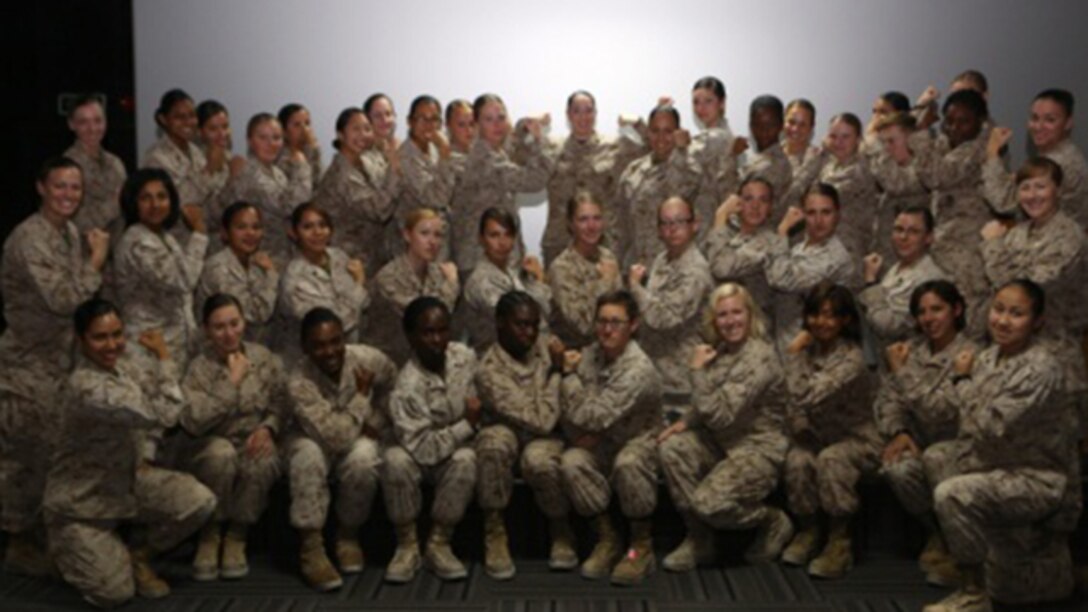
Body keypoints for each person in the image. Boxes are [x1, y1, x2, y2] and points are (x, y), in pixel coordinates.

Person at [45, 299, 216, 607]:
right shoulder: (88, 387)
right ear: (80, 339)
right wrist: (164, 356)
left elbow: (151, 418)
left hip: (125, 484)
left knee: (199, 501)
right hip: (83, 506)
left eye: (117, 334)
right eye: (100, 337)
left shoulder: (123, 369)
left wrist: (145, 456)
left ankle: (139, 554)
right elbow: (164, 413)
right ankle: (66, 548)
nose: (112, 345)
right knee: (114, 594)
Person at [924, 280, 1080, 611]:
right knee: (937, 457)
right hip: (996, 463)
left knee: (951, 493)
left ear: (1037, 321)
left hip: (1036, 476)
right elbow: (960, 419)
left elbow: (990, 425)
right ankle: (970, 560)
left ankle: (973, 594)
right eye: (998, 310)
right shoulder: (988, 357)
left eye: (1016, 313)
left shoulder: (1040, 367)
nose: (1003, 320)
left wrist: (962, 381)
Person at [0, 157, 108, 575]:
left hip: (59, 363)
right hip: (27, 369)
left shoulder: (68, 233)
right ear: (41, 187)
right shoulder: (30, 238)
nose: (68, 195)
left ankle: (45, 538)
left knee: (53, 454)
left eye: (75, 188)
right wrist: (96, 260)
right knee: (25, 458)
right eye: (60, 186)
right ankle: (19, 543)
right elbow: (64, 299)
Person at [656, 283, 793, 571]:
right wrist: (684, 422)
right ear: (713, 321)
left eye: (736, 312)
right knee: (672, 448)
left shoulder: (759, 357)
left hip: (757, 451)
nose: (730, 321)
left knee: (709, 504)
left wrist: (696, 371)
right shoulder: (721, 351)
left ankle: (771, 520)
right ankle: (699, 539)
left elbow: (720, 414)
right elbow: (707, 403)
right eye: (722, 315)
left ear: (750, 315)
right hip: (722, 444)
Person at [283, 307, 397, 591]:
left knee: (365, 457)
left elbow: (395, 387)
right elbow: (334, 438)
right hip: (311, 438)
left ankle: (348, 535)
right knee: (307, 456)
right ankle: (312, 549)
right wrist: (361, 399)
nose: (330, 351)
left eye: (336, 341)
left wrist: (378, 421)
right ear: (305, 347)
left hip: (352, 431)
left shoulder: (366, 359)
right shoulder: (299, 381)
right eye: (319, 345)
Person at [558, 290, 663, 585]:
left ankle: (639, 546)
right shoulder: (590, 354)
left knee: (628, 463)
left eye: (616, 322)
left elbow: (593, 414)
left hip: (638, 441)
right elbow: (571, 412)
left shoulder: (637, 368)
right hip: (601, 439)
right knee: (571, 462)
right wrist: (587, 430)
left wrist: (568, 377)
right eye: (602, 321)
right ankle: (607, 538)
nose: (607, 329)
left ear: (633, 326)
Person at [875, 280, 976, 586]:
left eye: (937, 309)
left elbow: (943, 410)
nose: (929, 318)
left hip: (961, 448)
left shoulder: (971, 355)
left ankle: (960, 547)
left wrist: (902, 372)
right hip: (919, 441)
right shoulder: (911, 351)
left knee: (936, 457)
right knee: (897, 467)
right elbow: (887, 399)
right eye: (921, 312)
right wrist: (899, 431)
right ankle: (936, 531)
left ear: (956, 310)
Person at [179, 294, 287, 581]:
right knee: (222, 454)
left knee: (262, 459)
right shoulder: (198, 368)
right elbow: (193, 420)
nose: (229, 334)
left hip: (253, 437)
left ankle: (238, 534)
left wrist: (269, 428)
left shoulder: (263, 358)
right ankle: (211, 532)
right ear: (206, 330)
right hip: (212, 443)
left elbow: (281, 402)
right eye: (219, 327)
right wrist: (231, 382)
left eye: (234, 324)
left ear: (244, 323)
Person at [780, 283, 878, 579]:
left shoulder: (852, 359)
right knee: (797, 460)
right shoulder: (810, 353)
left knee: (832, 459)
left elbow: (805, 395)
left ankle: (839, 540)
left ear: (845, 320)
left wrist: (793, 354)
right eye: (815, 314)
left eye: (830, 316)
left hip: (857, 439)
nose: (821, 323)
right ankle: (808, 531)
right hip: (816, 435)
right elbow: (789, 404)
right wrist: (800, 428)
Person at [382, 297, 480, 583]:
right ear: (411, 337)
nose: (437, 339)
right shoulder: (407, 386)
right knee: (394, 460)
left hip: (452, 452)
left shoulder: (464, 357)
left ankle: (439, 543)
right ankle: (407, 545)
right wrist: (466, 426)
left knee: (467, 459)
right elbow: (423, 449)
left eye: (442, 330)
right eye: (427, 332)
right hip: (417, 455)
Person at [474, 291, 568, 579]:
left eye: (534, 325)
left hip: (544, 440)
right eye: (521, 325)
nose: (529, 332)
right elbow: (541, 419)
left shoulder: (544, 346)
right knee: (492, 444)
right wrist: (557, 372)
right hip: (513, 433)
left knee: (538, 460)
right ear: (501, 323)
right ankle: (495, 531)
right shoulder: (489, 370)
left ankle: (561, 529)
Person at [979, 157, 1088, 402]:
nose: (1032, 195)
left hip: (1054, 354)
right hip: (1014, 350)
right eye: (1025, 187)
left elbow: (1023, 290)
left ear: (1058, 190)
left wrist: (994, 246)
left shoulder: (1069, 236)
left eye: (1041, 186)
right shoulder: (1018, 233)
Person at [917, 89, 994, 336]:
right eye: (949, 121)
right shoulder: (950, 143)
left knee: (967, 322)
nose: (954, 128)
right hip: (944, 246)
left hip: (966, 251)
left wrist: (920, 132)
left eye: (964, 121)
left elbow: (934, 175)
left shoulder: (978, 148)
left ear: (980, 121)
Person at [113, 168, 207, 370]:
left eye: (162, 197)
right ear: (133, 203)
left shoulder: (163, 235)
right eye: (146, 198)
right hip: (149, 349)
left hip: (174, 346)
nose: (155, 205)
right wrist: (199, 232)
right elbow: (183, 281)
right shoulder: (138, 240)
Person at [540, 90, 645, 264]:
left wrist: (638, 123)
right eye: (577, 111)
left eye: (588, 110)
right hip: (560, 242)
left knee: (607, 291)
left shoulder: (616, 148)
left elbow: (655, 147)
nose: (583, 116)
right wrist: (532, 124)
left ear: (595, 113)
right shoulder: (552, 148)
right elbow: (516, 151)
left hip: (604, 243)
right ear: (568, 115)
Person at [628, 196, 711, 417]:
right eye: (665, 223)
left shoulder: (695, 270)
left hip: (681, 381)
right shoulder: (662, 260)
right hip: (656, 374)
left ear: (694, 225)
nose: (672, 229)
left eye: (679, 221)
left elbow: (663, 318)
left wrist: (636, 288)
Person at [449, 93, 549, 273]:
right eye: (488, 119)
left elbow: (514, 142)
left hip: (496, 255)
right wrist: (538, 140)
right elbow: (536, 180)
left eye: (501, 117)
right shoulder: (486, 159)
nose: (497, 124)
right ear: (477, 125)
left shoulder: (495, 151)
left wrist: (525, 125)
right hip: (481, 261)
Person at [767, 183, 857, 353]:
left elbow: (782, 280)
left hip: (814, 347)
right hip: (785, 337)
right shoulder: (800, 247)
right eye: (811, 213)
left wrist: (781, 232)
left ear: (837, 215)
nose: (818, 220)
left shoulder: (835, 257)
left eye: (826, 212)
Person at [277, 203, 368, 365]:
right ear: (294, 233)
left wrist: (358, 293)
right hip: (313, 362)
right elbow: (337, 323)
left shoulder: (338, 256)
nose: (317, 232)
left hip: (349, 352)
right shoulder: (295, 278)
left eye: (322, 225)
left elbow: (365, 304)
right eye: (308, 227)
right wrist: (359, 283)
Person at [368, 208, 460, 365]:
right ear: (407, 235)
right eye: (424, 233)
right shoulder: (389, 276)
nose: (432, 242)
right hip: (391, 360)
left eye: (437, 235)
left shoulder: (438, 272)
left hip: (425, 357)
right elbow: (426, 318)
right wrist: (452, 284)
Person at [219, 113, 312, 268]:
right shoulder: (250, 173)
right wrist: (302, 167)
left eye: (276, 138)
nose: (271, 144)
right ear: (250, 141)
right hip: (259, 261)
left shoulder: (276, 172)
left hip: (279, 256)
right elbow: (292, 207)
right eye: (263, 138)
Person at [984, 89, 1087, 227]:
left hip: (1052, 242)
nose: (1039, 126)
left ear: (1068, 123)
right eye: (1034, 118)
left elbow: (1002, 201)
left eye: (1050, 120)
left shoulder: (1058, 162)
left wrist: (992, 153)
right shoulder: (1060, 153)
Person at [614, 103, 700, 268]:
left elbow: (679, 190)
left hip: (673, 271)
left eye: (668, 131)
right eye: (655, 131)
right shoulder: (633, 170)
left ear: (678, 132)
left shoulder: (690, 168)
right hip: (636, 269)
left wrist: (681, 151)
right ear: (648, 132)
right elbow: (620, 226)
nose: (661, 138)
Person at [786, 113, 879, 261]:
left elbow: (799, 194)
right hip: (822, 244)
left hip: (845, 250)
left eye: (845, 136)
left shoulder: (858, 171)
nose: (838, 142)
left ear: (858, 139)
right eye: (833, 136)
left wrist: (821, 152)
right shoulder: (831, 165)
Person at [318, 107, 401, 270]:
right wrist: (394, 166)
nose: (363, 135)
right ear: (340, 135)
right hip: (349, 259)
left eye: (367, 129)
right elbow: (379, 210)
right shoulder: (342, 174)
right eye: (356, 129)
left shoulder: (364, 160)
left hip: (372, 253)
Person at [463, 208, 552, 353]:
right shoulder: (480, 281)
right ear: (481, 239)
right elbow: (520, 321)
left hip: (527, 351)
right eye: (494, 235)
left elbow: (548, 309)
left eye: (508, 235)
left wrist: (537, 280)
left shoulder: (516, 271)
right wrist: (541, 281)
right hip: (494, 359)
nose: (502, 242)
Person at [858, 206, 948, 346]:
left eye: (913, 232)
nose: (903, 237)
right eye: (899, 229)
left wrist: (871, 282)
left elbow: (889, 328)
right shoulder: (896, 268)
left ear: (928, 238)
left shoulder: (928, 279)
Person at [703, 177, 785, 327]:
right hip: (717, 321)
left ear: (770, 207)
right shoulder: (726, 230)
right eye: (748, 199)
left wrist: (721, 215)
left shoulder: (773, 243)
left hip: (751, 327)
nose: (755, 206)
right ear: (738, 203)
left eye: (763, 200)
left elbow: (721, 268)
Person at [196, 201, 279, 345]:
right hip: (219, 348)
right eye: (241, 227)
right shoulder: (218, 267)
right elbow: (256, 314)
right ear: (225, 233)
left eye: (256, 227)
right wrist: (272, 275)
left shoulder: (256, 260)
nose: (250, 233)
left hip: (252, 346)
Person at [547, 192, 623, 348]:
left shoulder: (608, 257)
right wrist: (605, 282)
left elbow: (622, 311)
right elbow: (584, 326)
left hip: (611, 349)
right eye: (583, 219)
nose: (591, 226)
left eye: (597, 218)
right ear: (570, 224)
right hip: (578, 356)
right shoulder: (561, 268)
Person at [141, 89, 215, 229]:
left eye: (192, 115)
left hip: (202, 237)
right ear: (164, 119)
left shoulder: (196, 151)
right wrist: (209, 170)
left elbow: (210, 198)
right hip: (173, 240)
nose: (188, 122)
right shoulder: (156, 157)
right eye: (179, 117)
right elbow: (178, 200)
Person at [395, 95, 455, 259]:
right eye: (422, 118)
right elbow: (436, 199)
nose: (428, 125)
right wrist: (445, 155)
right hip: (415, 247)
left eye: (434, 119)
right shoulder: (406, 156)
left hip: (437, 241)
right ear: (410, 122)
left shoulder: (432, 149)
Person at [867, 112, 933, 262]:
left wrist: (874, 146)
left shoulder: (924, 170)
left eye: (891, 141)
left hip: (911, 263)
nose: (887, 149)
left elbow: (895, 184)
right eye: (883, 142)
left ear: (911, 140)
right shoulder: (891, 169)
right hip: (885, 258)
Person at [64, 95, 127, 238]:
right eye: (83, 122)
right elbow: (75, 223)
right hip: (84, 253)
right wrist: (116, 202)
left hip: (116, 251)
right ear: (71, 124)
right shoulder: (67, 168)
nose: (92, 128)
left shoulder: (115, 163)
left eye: (98, 121)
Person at [688, 77, 740, 243]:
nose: (701, 108)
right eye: (696, 102)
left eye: (708, 101)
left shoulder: (716, 137)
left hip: (709, 226)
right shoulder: (722, 134)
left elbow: (671, 153)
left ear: (722, 103)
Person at [738, 95, 793, 220]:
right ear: (751, 126)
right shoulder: (759, 157)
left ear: (781, 126)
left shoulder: (773, 165)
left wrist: (729, 159)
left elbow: (736, 202)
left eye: (771, 125)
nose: (764, 131)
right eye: (758, 125)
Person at [193, 99, 236, 240]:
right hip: (208, 245)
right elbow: (207, 215)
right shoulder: (195, 164)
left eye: (225, 126)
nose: (222, 134)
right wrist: (211, 171)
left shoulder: (231, 160)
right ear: (200, 132)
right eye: (213, 129)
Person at [278, 103, 323, 190]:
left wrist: (315, 151)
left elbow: (320, 183)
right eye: (297, 125)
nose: (305, 129)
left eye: (307, 123)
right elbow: (303, 191)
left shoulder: (309, 151)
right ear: (284, 131)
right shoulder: (280, 158)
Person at [783, 99, 818, 177]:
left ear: (811, 127)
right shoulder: (769, 156)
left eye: (802, 125)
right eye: (791, 122)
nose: (795, 129)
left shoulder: (818, 161)